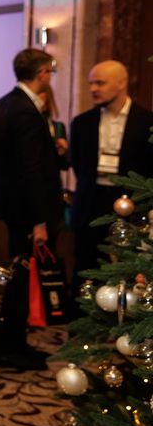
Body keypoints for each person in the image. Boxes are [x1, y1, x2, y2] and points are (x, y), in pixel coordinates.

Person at [0, 48, 63, 369]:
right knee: (22, 278)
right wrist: (39, 221)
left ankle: (12, 341)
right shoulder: (24, 110)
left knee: (19, 277)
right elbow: (30, 170)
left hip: (13, 206)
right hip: (25, 211)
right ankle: (14, 345)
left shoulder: (9, 102)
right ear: (42, 73)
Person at [70, 60, 153, 285]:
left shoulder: (147, 122)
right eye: (91, 83)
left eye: (100, 83)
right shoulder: (82, 123)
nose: (93, 89)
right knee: (86, 265)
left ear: (121, 83)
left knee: (127, 267)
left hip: (130, 204)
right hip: (91, 201)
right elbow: (78, 164)